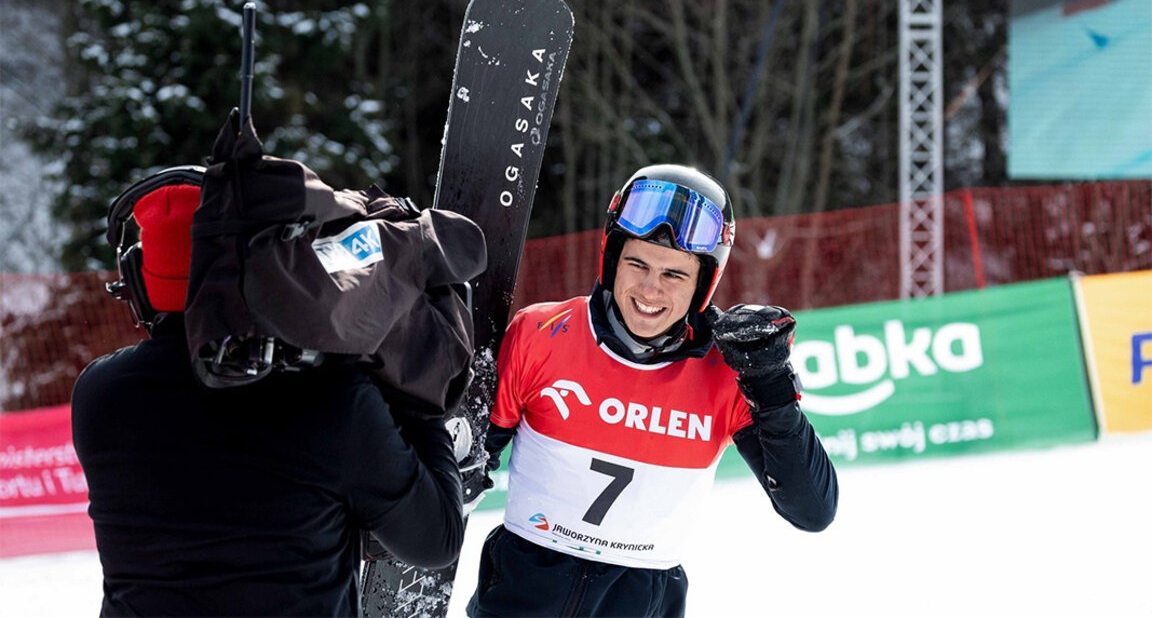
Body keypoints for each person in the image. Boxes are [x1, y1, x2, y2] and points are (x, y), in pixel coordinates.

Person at [71, 171, 465, 617]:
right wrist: (420, 399)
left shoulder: (98, 395)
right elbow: (436, 541)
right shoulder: (329, 393)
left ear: (139, 285)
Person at [466, 164, 839, 617]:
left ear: (704, 283)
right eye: (636, 264)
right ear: (610, 258)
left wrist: (772, 388)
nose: (649, 289)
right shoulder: (541, 332)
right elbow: (468, 461)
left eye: (674, 275)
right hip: (518, 599)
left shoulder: (728, 369)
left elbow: (812, 511)